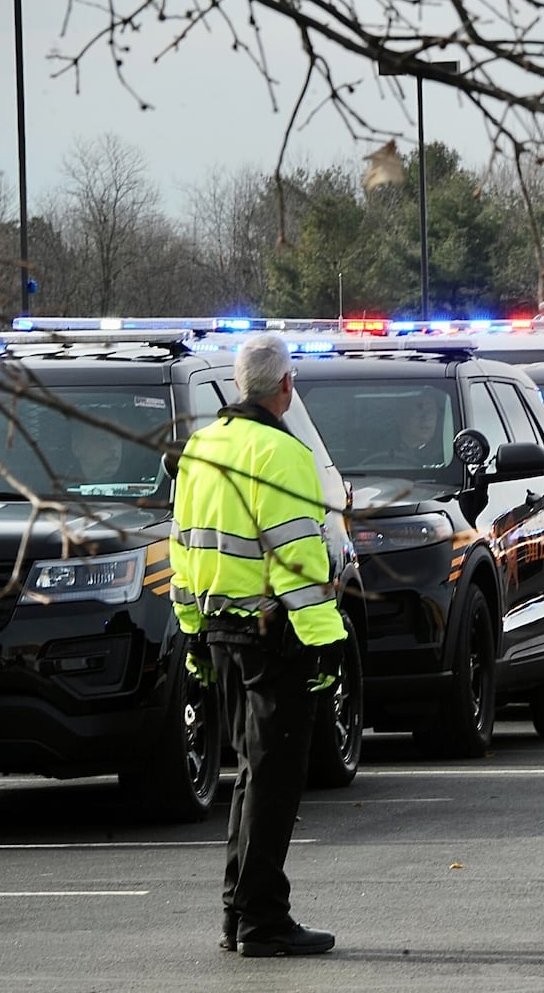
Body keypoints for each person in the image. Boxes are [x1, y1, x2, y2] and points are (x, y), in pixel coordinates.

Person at [170, 333, 346, 958]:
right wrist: (326, 645)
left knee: (250, 774)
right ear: (286, 389)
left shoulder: (201, 448)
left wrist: (192, 634)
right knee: (274, 778)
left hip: (218, 629)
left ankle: (238, 914)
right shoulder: (283, 454)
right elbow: (300, 560)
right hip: (274, 636)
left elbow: (183, 549)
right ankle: (262, 921)